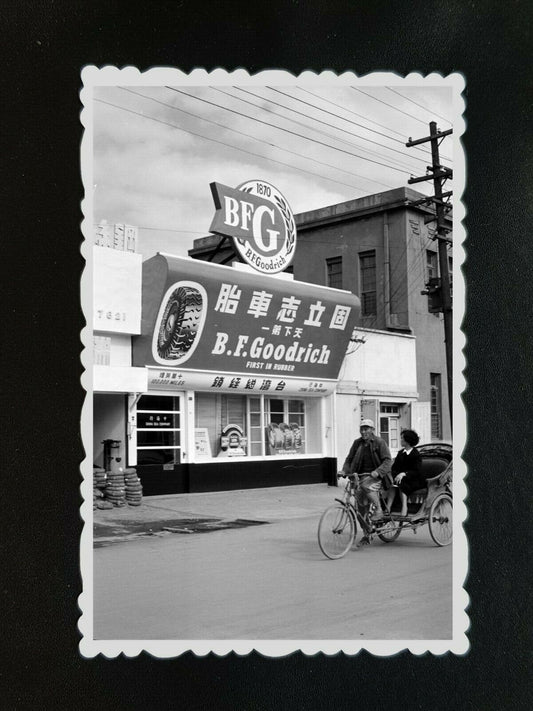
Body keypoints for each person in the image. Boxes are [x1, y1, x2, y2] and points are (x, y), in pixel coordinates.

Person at [340, 419, 392, 537]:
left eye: (366, 429)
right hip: (359, 476)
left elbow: (388, 461)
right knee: (360, 508)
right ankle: (366, 531)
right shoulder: (357, 443)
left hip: (378, 477)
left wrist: (378, 472)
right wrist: (344, 470)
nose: (363, 432)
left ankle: (378, 509)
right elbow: (349, 459)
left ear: (372, 430)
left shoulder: (379, 442)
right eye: (362, 429)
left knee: (365, 486)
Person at [385, 429, 422, 517]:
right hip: (401, 478)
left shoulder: (416, 454)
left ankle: (404, 507)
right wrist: (395, 475)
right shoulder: (400, 453)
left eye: (402, 438)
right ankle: (388, 507)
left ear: (407, 441)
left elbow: (417, 471)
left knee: (401, 483)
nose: (400, 440)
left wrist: (404, 474)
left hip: (413, 480)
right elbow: (394, 468)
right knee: (392, 483)